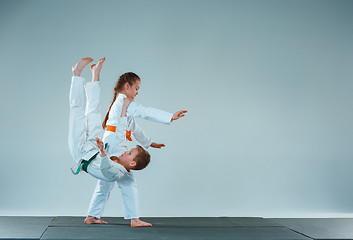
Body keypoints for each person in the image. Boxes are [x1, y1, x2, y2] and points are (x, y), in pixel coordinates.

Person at [85, 65, 187, 227]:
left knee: (106, 182)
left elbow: (134, 127)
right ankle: (134, 219)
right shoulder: (125, 103)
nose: (137, 92)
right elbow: (145, 111)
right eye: (136, 88)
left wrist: (150, 143)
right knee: (127, 181)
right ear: (127, 87)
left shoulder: (121, 103)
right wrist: (170, 117)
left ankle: (92, 215)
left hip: (112, 142)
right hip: (115, 145)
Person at [69, 57, 153, 227]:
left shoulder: (116, 172)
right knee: (93, 111)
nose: (125, 151)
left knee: (77, 111)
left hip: (81, 151)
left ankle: (76, 74)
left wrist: (103, 152)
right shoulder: (125, 165)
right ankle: (95, 74)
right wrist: (123, 108)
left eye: (129, 153)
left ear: (132, 162)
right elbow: (121, 128)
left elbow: (106, 168)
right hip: (94, 147)